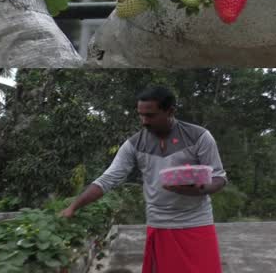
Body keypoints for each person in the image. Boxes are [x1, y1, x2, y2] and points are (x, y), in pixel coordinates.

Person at [60, 85, 227, 273]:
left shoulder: (199, 137)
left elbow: (218, 178)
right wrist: (73, 207)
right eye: (141, 115)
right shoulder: (134, 144)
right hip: (159, 223)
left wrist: (200, 188)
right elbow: (107, 179)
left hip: (196, 222)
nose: (144, 121)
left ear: (170, 111)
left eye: (150, 115)